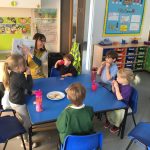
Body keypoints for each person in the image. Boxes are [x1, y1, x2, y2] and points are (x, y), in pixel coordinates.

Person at [3, 54, 37, 148]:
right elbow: (29, 85)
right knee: (28, 122)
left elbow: (22, 87)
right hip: (18, 103)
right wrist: (29, 74)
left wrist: (29, 93)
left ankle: (22, 132)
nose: (26, 65)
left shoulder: (15, 73)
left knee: (22, 118)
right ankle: (25, 140)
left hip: (14, 99)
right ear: (17, 67)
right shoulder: (18, 77)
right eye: (24, 64)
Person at [104, 68, 140, 133]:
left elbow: (119, 98)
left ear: (125, 80)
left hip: (123, 105)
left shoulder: (127, 88)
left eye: (118, 77)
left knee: (118, 113)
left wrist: (117, 87)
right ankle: (109, 120)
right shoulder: (120, 84)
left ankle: (117, 126)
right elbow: (113, 91)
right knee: (107, 107)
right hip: (116, 101)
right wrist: (113, 86)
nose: (116, 78)